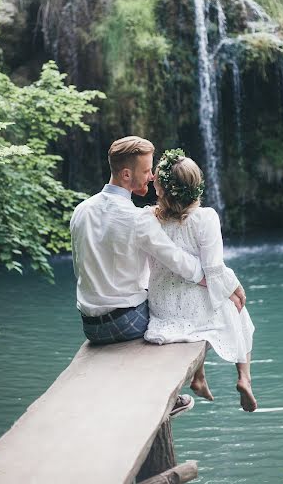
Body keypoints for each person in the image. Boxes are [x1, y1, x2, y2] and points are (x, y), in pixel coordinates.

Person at [70, 136, 207, 415]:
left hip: (91, 327)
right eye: (147, 171)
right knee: (177, 306)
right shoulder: (138, 219)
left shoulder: (80, 211)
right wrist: (212, 278)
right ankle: (162, 397)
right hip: (126, 324)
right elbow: (178, 262)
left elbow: (79, 268)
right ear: (126, 174)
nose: (153, 176)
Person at [144, 149, 257, 412]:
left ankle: (199, 377)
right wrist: (234, 287)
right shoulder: (205, 218)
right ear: (196, 187)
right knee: (238, 311)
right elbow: (214, 268)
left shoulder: (150, 220)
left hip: (163, 304)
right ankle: (244, 378)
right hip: (195, 301)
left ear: (163, 189)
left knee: (205, 304)